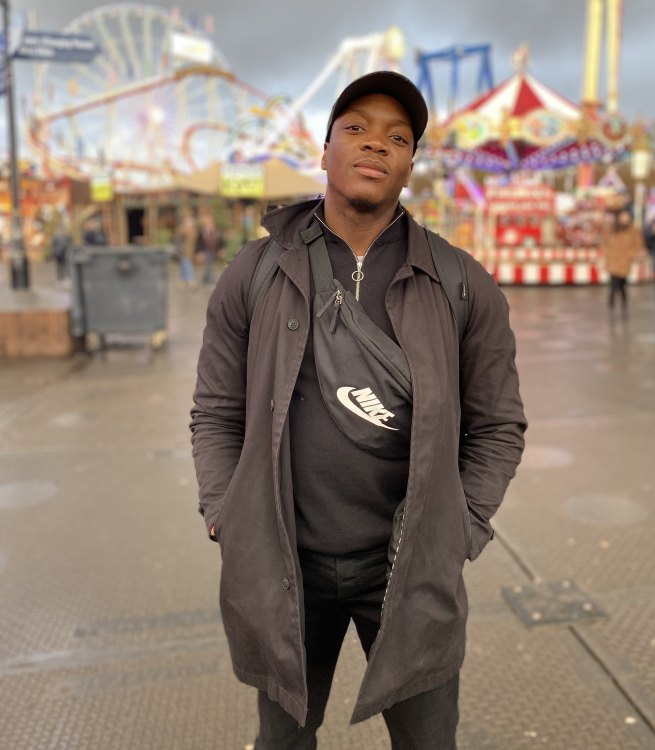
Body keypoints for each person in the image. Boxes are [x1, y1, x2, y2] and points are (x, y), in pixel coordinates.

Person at [190, 71, 526, 749]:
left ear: (410, 165)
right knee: (283, 742)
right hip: (284, 561)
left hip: (411, 568)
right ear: (324, 151)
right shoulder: (255, 273)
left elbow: (498, 424)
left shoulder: (461, 283)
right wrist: (225, 510)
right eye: (356, 128)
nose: (376, 144)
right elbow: (216, 409)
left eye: (398, 138)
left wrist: (460, 527)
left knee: (428, 742)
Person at [601, 208, 643, 319]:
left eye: (626, 217)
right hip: (613, 261)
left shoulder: (633, 231)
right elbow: (605, 244)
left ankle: (624, 308)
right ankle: (612, 309)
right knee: (613, 287)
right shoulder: (611, 229)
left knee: (623, 287)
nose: (625, 219)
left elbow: (637, 245)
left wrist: (631, 254)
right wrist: (608, 255)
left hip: (625, 262)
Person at [195, 212, 224, 285]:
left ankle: (206, 278)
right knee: (209, 261)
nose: (208, 224)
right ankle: (209, 278)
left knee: (210, 262)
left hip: (214, 251)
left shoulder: (217, 231)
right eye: (207, 222)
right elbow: (198, 243)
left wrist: (221, 250)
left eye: (209, 222)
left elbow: (220, 241)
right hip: (206, 251)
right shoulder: (202, 232)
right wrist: (199, 252)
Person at [175, 211, 199, 288]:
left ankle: (181, 281)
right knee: (188, 265)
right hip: (184, 251)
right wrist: (184, 227)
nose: (191, 224)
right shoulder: (183, 231)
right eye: (189, 222)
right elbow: (178, 237)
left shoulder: (193, 232)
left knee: (184, 266)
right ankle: (190, 280)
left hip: (190, 252)